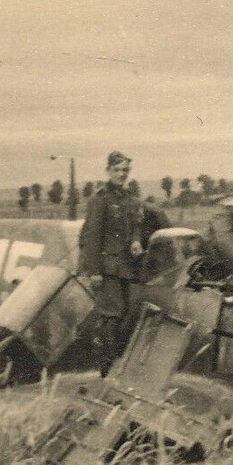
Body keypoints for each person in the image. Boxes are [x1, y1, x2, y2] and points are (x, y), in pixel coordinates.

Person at [78, 150, 145, 374]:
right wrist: (94, 271)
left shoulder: (131, 199)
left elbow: (137, 223)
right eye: (117, 170)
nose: (121, 174)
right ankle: (105, 368)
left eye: (125, 170)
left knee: (124, 314)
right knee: (112, 315)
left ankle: (114, 361)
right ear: (108, 171)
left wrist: (136, 240)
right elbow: (91, 236)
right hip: (107, 268)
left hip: (125, 267)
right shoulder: (100, 200)